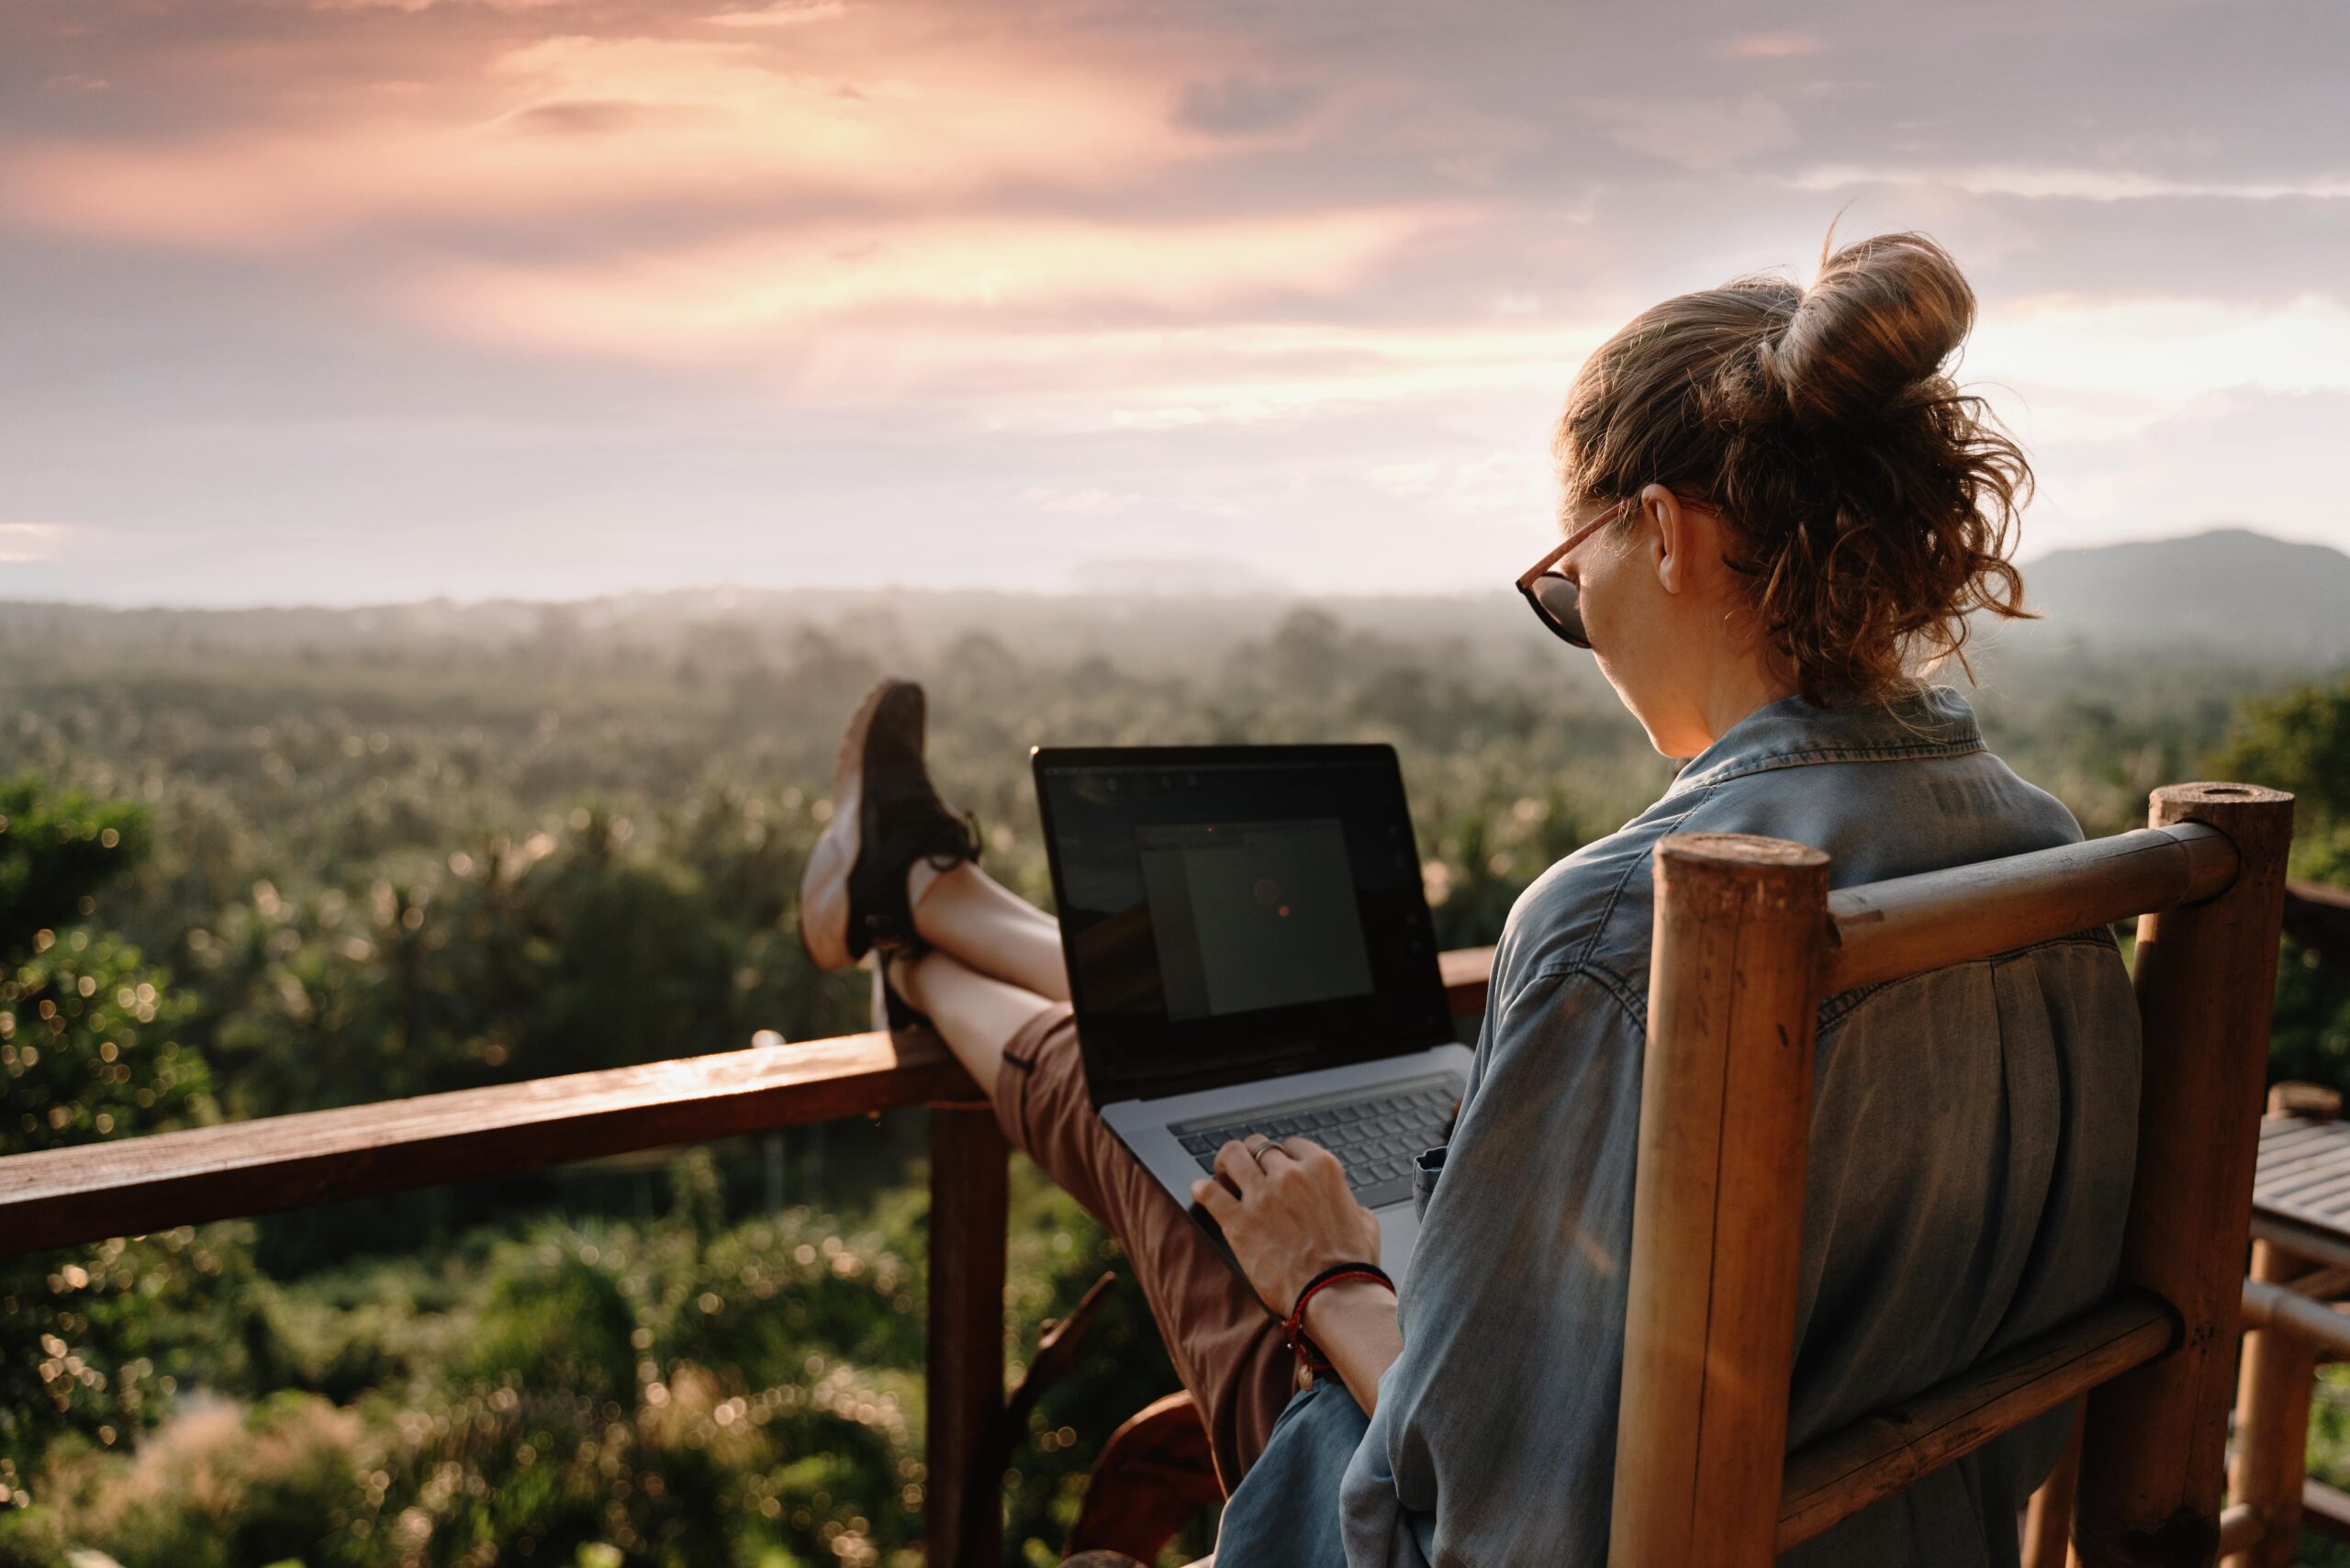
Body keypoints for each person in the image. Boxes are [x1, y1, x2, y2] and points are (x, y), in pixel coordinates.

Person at [796, 230, 2139, 1566]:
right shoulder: (2048, 859)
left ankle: (911, 930)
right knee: (1204, 1092)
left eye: (1569, 579)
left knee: (1174, 1122)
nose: (1581, 620)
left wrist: (1330, 1279)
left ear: (1663, 533)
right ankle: (927, 908)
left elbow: (1502, 1520)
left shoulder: (1629, 924)